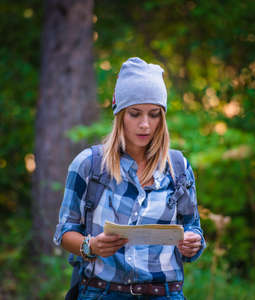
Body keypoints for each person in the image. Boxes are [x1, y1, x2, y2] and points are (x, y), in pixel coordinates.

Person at [54, 57, 205, 300]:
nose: (145, 124)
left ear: (162, 118)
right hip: (102, 292)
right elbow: (64, 232)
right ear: (120, 114)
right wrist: (90, 246)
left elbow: (192, 227)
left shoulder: (178, 168)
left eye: (154, 114)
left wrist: (193, 243)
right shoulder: (89, 165)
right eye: (135, 114)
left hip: (165, 294)